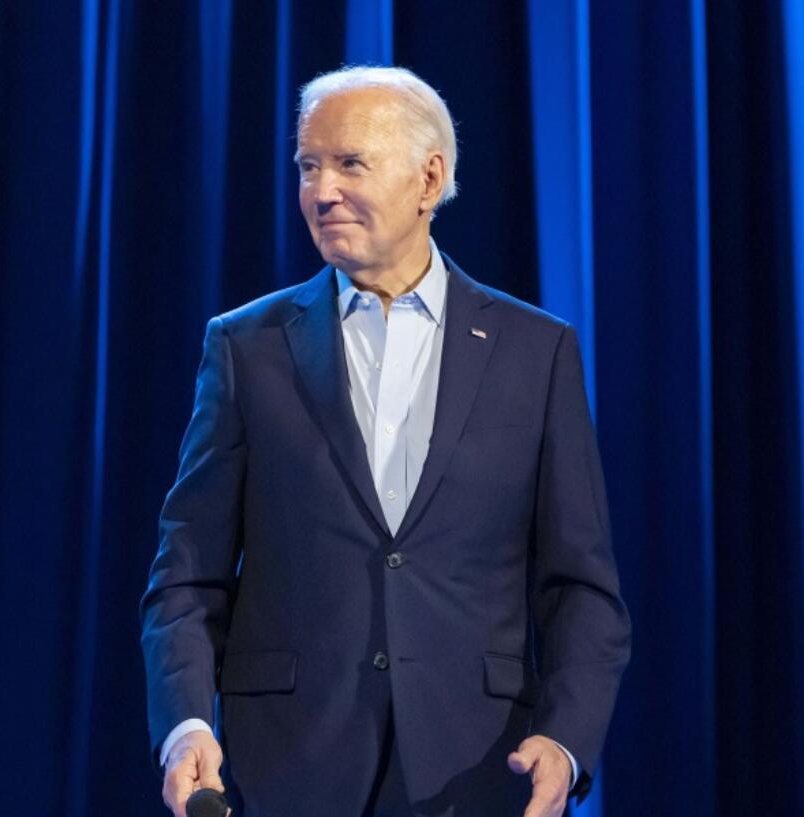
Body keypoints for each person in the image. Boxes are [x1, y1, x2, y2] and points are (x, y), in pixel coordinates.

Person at [140, 65, 630, 817]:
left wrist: (565, 741)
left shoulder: (536, 351)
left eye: (349, 162)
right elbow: (187, 575)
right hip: (289, 766)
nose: (321, 190)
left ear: (428, 178)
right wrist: (186, 724)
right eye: (308, 166)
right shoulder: (248, 346)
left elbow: (582, 589)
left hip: (476, 768)